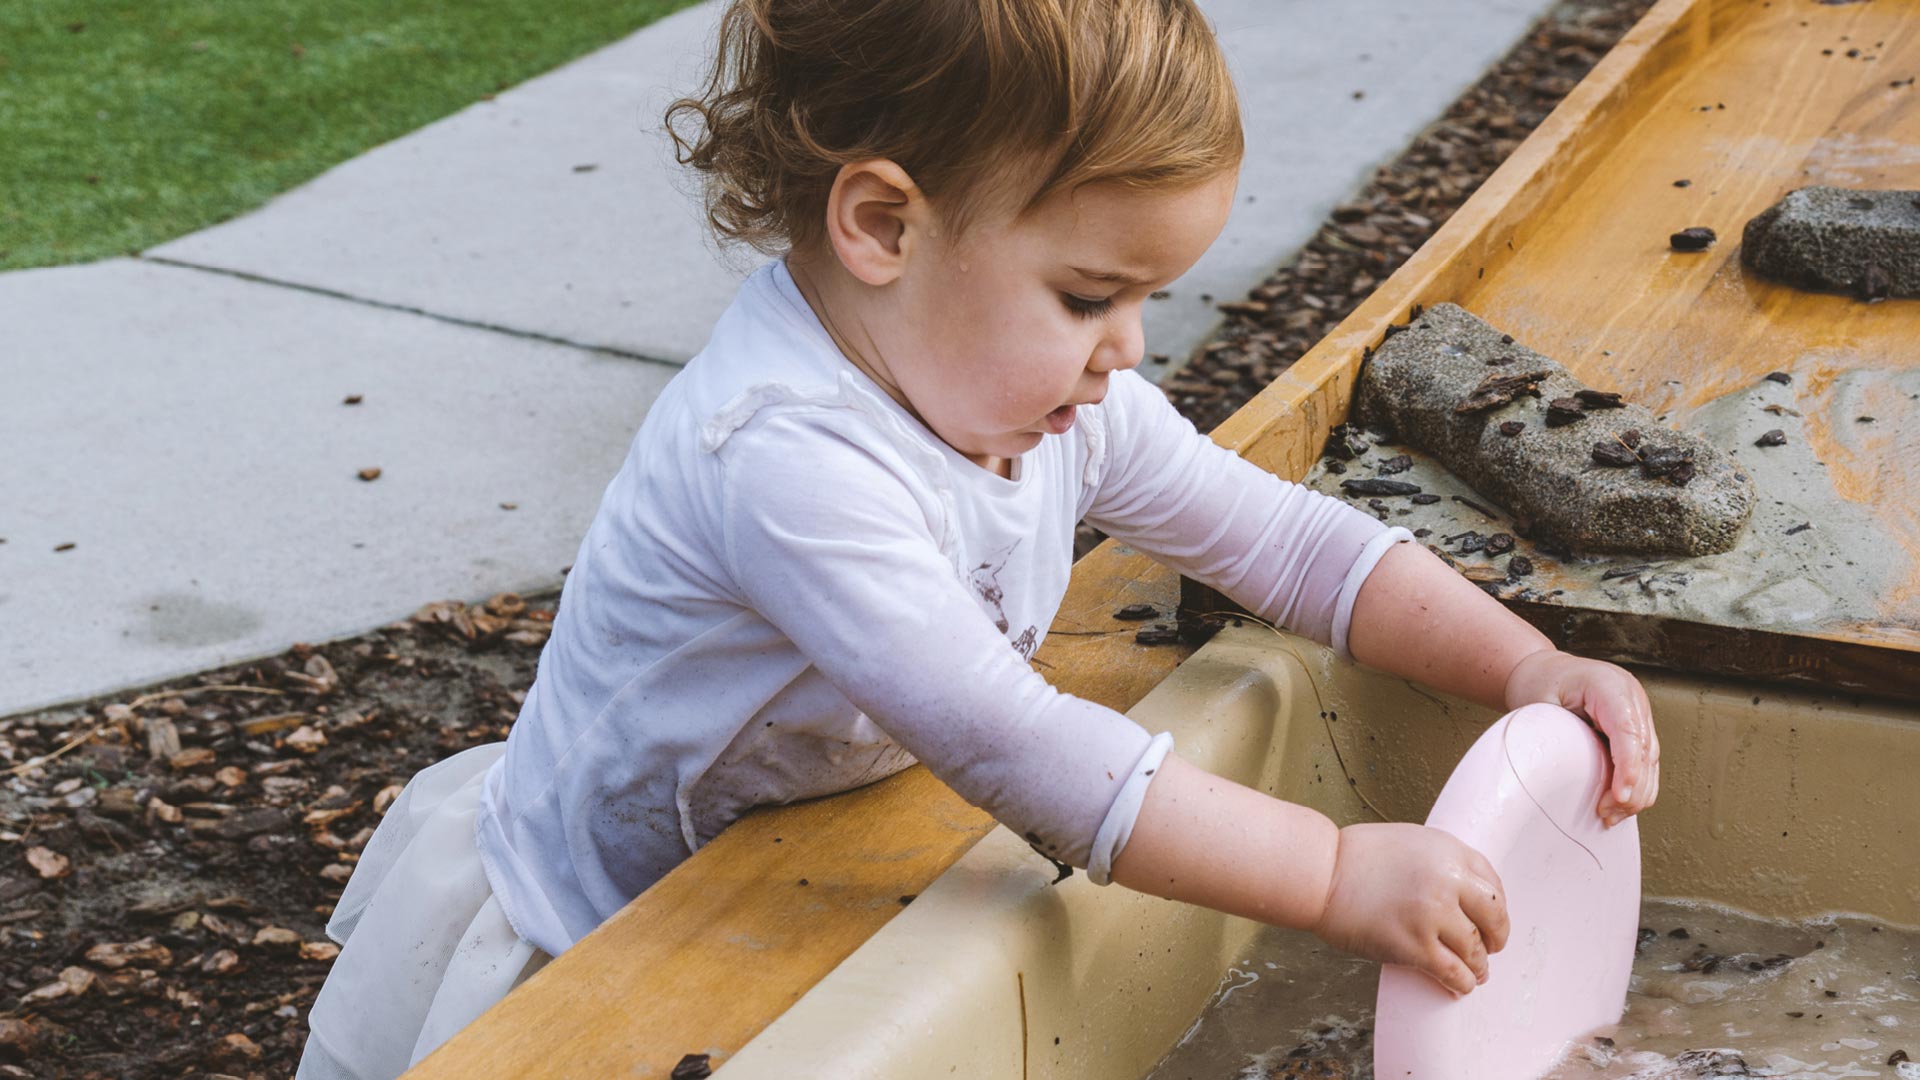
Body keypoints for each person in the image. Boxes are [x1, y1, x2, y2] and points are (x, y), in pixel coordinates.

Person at [296, 0, 1661, 1075]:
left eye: (1147, 298)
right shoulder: (786, 460)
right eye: (1086, 294)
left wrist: (1524, 667)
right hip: (609, 926)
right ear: (884, 224)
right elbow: (1020, 746)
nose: (1127, 349)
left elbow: (1291, 547)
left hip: (806, 842)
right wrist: (1334, 868)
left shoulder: (1054, 396)